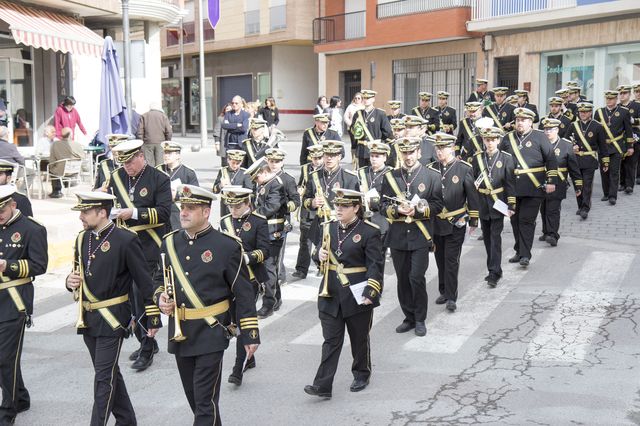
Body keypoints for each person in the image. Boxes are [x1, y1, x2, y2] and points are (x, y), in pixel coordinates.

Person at [156, 184, 259, 426]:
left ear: (206, 212)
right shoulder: (169, 243)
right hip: (180, 330)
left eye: (191, 208)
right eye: (182, 207)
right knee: (198, 401)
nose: (183, 213)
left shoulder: (227, 245)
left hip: (211, 332)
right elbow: (158, 278)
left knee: (204, 401)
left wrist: (250, 334)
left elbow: (243, 293)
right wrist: (160, 297)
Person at [65, 191, 160, 426]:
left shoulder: (125, 239)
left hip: (113, 318)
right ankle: (127, 420)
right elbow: (78, 275)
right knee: (108, 373)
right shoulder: (82, 238)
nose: (81, 217)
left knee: (102, 378)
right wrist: (69, 282)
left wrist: (153, 318)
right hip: (88, 318)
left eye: (85, 212)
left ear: (102, 212)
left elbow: (144, 281)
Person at [304, 188, 384, 399]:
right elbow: (317, 255)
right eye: (337, 205)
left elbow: (376, 265)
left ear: (356, 208)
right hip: (330, 292)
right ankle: (322, 385)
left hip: (356, 292)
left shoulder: (369, 231)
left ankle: (361, 373)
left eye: (345, 206)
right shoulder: (328, 227)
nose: (339, 209)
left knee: (359, 338)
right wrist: (318, 254)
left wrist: (371, 291)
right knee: (331, 340)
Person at [108, 139, 172, 371]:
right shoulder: (116, 177)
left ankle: (148, 345)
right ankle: (144, 338)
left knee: (145, 297)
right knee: (127, 298)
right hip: (122, 246)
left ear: (140, 156)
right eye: (122, 163)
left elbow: (164, 213)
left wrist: (134, 213)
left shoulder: (159, 179)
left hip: (148, 246)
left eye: (130, 162)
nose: (126, 167)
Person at [380, 137, 443, 336]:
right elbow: (381, 206)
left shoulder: (431, 176)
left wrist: (418, 211)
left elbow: (438, 205)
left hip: (420, 236)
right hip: (398, 236)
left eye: (411, 152)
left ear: (418, 153)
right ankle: (408, 316)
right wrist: (396, 209)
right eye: (404, 152)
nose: (408, 156)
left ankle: (420, 319)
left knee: (416, 277)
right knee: (402, 280)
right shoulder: (391, 177)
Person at [0, 185, 47, 425]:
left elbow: (39, 266)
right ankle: (21, 396)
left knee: (5, 358)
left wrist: (8, 266)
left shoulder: (32, 229)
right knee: (6, 356)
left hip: (14, 299)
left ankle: (8, 410)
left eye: (2, 210)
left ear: (13, 205)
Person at [219, 186, 269, 386]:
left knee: (242, 320)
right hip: (227, 279)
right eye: (230, 205)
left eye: (238, 205)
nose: (233, 209)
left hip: (249, 277)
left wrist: (246, 258)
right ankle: (250, 356)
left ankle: (238, 367)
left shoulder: (259, 222)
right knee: (232, 318)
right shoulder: (224, 222)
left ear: (247, 203)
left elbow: (265, 251)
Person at [499, 107, 558, 267]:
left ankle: (525, 255)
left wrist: (551, 180)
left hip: (533, 187)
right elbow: (499, 161)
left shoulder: (540, 137)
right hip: (511, 188)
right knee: (515, 220)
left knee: (526, 220)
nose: (519, 123)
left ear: (531, 122)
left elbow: (551, 159)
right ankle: (519, 250)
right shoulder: (507, 138)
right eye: (517, 120)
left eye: (523, 120)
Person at [431, 133, 479, 311]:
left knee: (451, 260)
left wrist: (473, 219)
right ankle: (443, 290)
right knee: (440, 258)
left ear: (452, 148)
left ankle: (451, 296)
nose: (439, 151)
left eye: (443, 147)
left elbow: (472, 195)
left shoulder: (463, 168)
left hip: (455, 221)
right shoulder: (431, 168)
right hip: (436, 223)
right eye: (437, 148)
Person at [472, 127, 515, 287]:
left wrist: (511, 204)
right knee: (487, 238)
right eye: (486, 139)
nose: (489, 143)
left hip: (498, 203)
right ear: (483, 140)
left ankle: (494, 272)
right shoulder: (477, 158)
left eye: (492, 140)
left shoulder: (506, 158)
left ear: (498, 140)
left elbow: (510, 183)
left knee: (495, 238)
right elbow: (473, 183)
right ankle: (493, 268)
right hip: (483, 202)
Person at [303, 140, 360, 247]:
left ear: (339, 156)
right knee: (320, 260)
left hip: (341, 225)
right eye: (327, 155)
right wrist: (313, 202)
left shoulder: (350, 178)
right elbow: (305, 200)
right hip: (320, 224)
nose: (329, 158)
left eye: (333, 155)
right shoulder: (314, 176)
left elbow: (356, 206)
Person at [538, 118, 582, 247]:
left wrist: (578, 186)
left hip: (559, 182)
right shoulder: (539, 143)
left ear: (557, 130)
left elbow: (574, 168)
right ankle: (546, 231)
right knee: (543, 208)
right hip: (541, 182)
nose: (547, 132)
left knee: (553, 209)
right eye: (545, 129)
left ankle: (553, 235)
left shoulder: (566, 145)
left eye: (550, 130)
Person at [252, 159, 287, 319]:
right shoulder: (264, 185)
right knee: (267, 268)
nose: (255, 181)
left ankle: (268, 305)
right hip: (264, 232)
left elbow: (271, 207)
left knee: (269, 269)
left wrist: (251, 215)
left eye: (256, 177)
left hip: (273, 232)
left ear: (264, 173)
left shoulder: (276, 185)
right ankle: (276, 299)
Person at [566, 102, 607, 220]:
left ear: (590, 113)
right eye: (581, 112)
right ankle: (580, 205)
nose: (582, 114)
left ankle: (585, 207)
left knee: (587, 184)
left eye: (585, 112)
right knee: (577, 184)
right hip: (575, 160)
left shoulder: (597, 126)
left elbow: (602, 146)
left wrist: (605, 162)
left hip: (589, 159)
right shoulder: (573, 125)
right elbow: (566, 141)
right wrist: (571, 147)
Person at [265, 148, 300, 286]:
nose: (274, 164)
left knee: (277, 254)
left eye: (277, 161)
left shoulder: (287, 179)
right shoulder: (263, 176)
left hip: (280, 220)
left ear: (282, 162)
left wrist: (284, 206)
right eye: (271, 161)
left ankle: (279, 278)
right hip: (264, 220)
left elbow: (296, 200)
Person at [594, 90, 634, 205]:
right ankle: (606, 193)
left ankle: (612, 196)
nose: (609, 101)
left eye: (611, 99)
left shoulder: (624, 112)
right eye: (607, 99)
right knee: (604, 170)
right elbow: (595, 131)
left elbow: (629, 131)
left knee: (614, 172)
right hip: (603, 147)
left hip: (617, 146)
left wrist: (630, 146)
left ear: (616, 99)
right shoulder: (599, 112)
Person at [293, 145, 324, 279]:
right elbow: (301, 183)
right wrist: (299, 188)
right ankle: (301, 269)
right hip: (308, 207)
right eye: (314, 158)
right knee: (304, 240)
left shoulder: (325, 170)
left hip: (321, 208)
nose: (316, 161)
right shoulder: (305, 168)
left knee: (321, 239)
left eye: (319, 158)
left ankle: (320, 265)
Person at [156, 142, 199, 230]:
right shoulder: (157, 171)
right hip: (161, 214)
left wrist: (177, 196)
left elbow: (195, 195)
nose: (166, 156)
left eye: (169, 153)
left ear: (178, 156)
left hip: (179, 215)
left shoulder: (188, 172)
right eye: (165, 153)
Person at [357, 141, 392, 240]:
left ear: (385, 157)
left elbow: (392, 198)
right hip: (363, 219)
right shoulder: (362, 172)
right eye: (372, 156)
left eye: (377, 156)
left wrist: (373, 201)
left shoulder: (391, 173)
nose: (374, 159)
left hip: (381, 221)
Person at [350, 90, 392, 168]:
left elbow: (387, 132)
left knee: (376, 171)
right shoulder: (358, 114)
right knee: (363, 173)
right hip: (362, 150)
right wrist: (354, 147)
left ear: (373, 99)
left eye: (368, 98)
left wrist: (379, 141)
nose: (366, 100)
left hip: (375, 149)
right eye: (364, 98)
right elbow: (353, 132)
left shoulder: (380, 114)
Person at [212, 149, 253, 216]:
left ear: (241, 162)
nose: (235, 165)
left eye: (238, 163)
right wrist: (220, 185)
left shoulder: (245, 173)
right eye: (233, 163)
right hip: (225, 204)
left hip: (239, 204)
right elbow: (214, 190)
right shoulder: (223, 171)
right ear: (228, 160)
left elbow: (249, 190)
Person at [49, 127, 84, 198]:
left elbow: (52, 159)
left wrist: (50, 168)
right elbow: (83, 157)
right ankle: (67, 184)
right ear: (71, 134)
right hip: (75, 170)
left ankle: (56, 191)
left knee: (52, 169)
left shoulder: (55, 144)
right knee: (56, 168)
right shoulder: (77, 145)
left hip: (61, 171)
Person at [617, 85, 640, 193]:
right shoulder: (617, 107)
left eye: (624, 93)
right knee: (621, 162)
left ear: (629, 94)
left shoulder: (636, 105)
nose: (622, 95)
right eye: (620, 93)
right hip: (620, 138)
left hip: (634, 136)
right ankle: (622, 183)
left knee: (631, 163)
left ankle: (629, 185)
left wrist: (632, 120)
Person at [136, 101, 172, 167]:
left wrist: (141, 142)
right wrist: (167, 141)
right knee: (160, 163)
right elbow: (169, 131)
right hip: (160, 143)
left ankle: (151, 176)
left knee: (149, 164)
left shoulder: (144, 116)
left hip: (147, 143)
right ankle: (159, 176)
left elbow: (140, 131)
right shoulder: (163, 116)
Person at [344, 93, 364, 161]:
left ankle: (360, 157)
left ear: (361, 99)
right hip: (352, 128)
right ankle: (353, 159)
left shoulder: (363, 107)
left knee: (361, 143)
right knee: (354, 143)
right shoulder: (350, 106)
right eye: (356, 98)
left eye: (359, 98)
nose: (357, 99)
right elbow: (345, 117)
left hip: (362, 129)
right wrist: (351, 124)